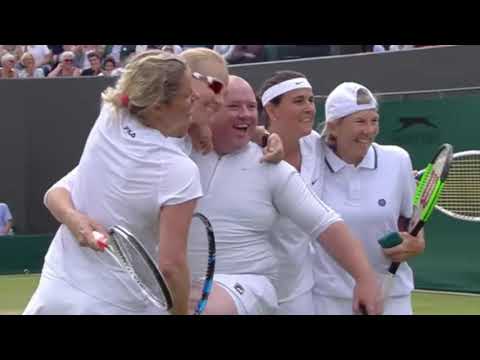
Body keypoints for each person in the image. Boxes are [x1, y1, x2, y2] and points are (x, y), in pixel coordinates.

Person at [24, 51, 203, 315]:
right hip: (118, 305)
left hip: (54, 293)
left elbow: (54, 193)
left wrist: (73, 219)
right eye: (188, 95)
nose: (196, 98)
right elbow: (171, 266)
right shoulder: (180, 171)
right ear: (157, 106)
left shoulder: (110, 117)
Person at [311, 82, 425, 315]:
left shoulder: (398, 159)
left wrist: (415, 244)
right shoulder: (310, 161)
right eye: (360, 121)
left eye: (374, 120)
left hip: (392, 296)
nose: (369, 130)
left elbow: (413, 221)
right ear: (333, 127)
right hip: (329, 299)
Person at [257, 70, 324, 314]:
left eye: (310, 100)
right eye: (298, 101)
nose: (309, 108)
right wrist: (261, 136)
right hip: (252, 288)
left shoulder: (317, 145)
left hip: (300, 292)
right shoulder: (248, 150)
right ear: (272, 110)